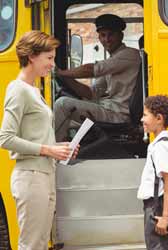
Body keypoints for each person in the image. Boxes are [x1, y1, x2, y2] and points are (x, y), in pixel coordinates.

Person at [0, 30, 79, 250]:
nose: (52, 65)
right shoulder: (18, 90)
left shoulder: (33, 90)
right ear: (32, 56)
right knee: (33, 245)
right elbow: (5, 138)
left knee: (41, 244)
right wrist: (48, 150)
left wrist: (58, 148)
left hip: (43, 175)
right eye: (49, 58)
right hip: (31, 178)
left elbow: (33, 136)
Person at [54, 14, 141, 142]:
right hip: (108, 110)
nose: (107, 39)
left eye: (111, 34)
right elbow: (92, 93)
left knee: (61, 105)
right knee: (65, 119)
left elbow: (92, 69)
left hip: (118, 114)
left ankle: (54, 153)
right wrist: (66, 78)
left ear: (121, 36)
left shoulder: (129, 55)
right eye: (103, 35)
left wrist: (61, 73)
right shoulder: (112, 61)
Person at [137, 95, 168, 250]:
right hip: (157, 206)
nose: (142, 119)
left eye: (145, 115)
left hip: (158, 208)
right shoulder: (160, 144)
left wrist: (165, 217)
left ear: (159, 118)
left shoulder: (161, 147)